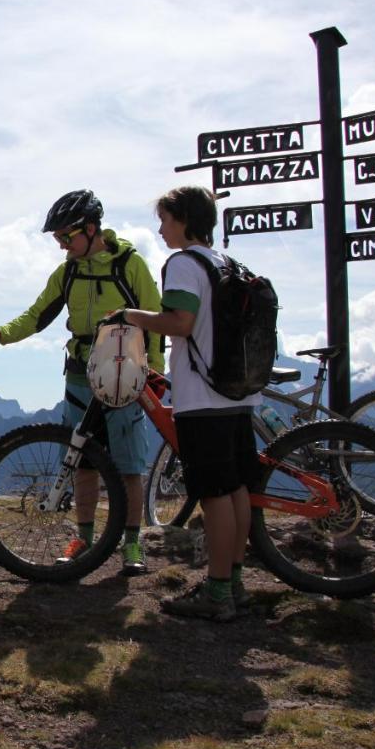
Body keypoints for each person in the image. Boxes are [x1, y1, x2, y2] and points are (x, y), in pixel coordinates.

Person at [0, 189, 163, 575]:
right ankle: (85, 539)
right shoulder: (69, 271)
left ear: (92, 229)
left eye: (67, 236)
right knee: (83, 462)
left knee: (128, 466)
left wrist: (155, 373)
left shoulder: (131, 265)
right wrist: (0, 333)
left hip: (125, 375)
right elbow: (37, 315)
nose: (62, 246)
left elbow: (156, 321)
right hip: (80, 374)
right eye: (57, 239)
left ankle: (132, 545)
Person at [117, 185, 260, 621]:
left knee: (213, 496)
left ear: (183, 219)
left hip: (202, 396)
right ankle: (233, 583)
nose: (160, 229)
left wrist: (130, 316)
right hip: (238, 392)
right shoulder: (226, 261)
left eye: (164, 219)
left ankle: (216, 595)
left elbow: (180, 322)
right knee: (236, 490)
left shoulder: (183, 263)